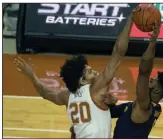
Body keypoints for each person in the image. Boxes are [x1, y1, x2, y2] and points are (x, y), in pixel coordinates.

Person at [14, 9, 135, 138]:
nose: (95, 72)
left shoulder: (66, 96)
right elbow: (118, 52)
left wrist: (32, 76)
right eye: (89, 72)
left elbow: (45, 93)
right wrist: (130, 20)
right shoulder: (96, 89)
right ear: (82, 80)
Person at [70, 20, 163, 138]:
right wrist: (110, 103)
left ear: (157, 90)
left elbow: (144, 71)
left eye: (154, 80)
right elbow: (110, 112)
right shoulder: (137, 106)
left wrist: (152, 42)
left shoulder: (144, 107)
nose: (150, 79)